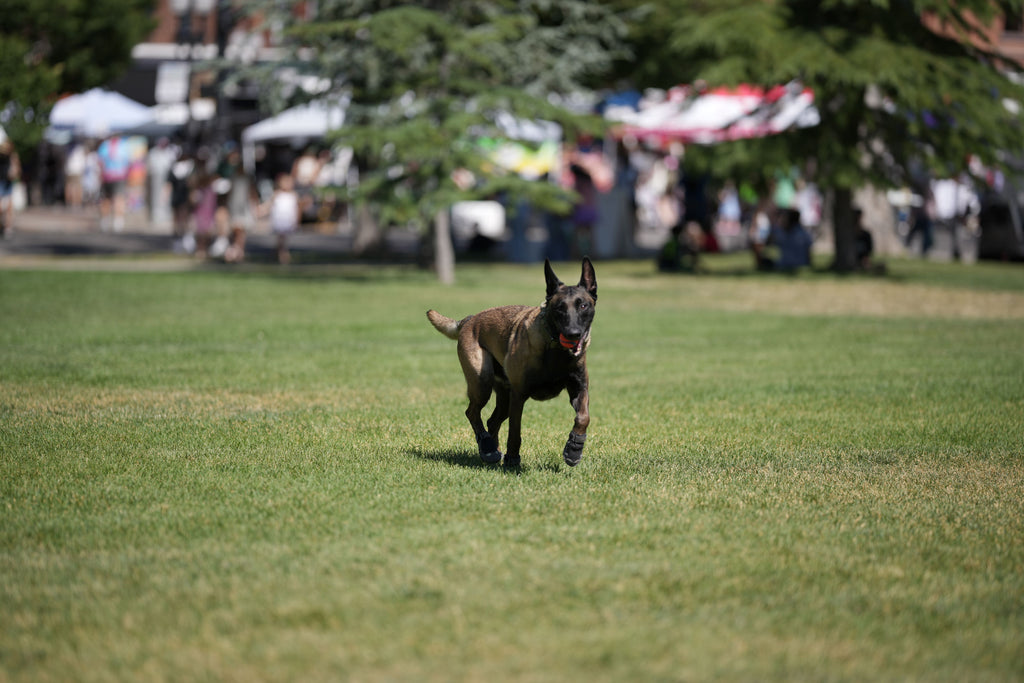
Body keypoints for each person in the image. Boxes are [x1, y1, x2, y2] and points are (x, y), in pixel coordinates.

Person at [97, 135, 130, 232]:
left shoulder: (104, 145)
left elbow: (100, 162)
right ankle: (117, 221)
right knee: (118, 198)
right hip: (119, 176)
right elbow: (128, 162)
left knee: (106, 199)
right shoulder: (124, 145)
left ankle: (106, 220)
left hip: (108, 176)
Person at [266, 173, 300, 264]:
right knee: (281, 237)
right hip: (279, 218)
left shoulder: (293, 195)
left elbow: (297, 209)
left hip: (288, 219)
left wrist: (296, 219)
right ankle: (281, 253)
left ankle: (281, 252)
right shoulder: (276, 194)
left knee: (283, 238)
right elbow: (269, 205)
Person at [770, 207, 813, 272]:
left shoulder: (781, 233)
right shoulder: (805, 234)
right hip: (802, 263)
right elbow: (808, 252)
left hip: (784, 264)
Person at [0, 139, 21, 236]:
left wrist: (14, 173)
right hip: (1, 181)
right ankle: (3, 225)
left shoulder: (12, 156)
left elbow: (17, 169)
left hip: (8, 182)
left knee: (9, 206)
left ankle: (8, 227)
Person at [64, 141, 87, 211]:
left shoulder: (67, 147)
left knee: (69, 187)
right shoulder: (80, 148)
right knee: (77, 187)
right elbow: (84, 160)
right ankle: (76, 203)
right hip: (77, 170)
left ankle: (69, 203)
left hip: (69, 170)